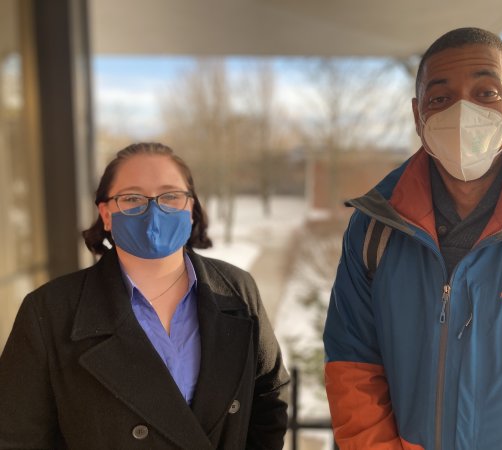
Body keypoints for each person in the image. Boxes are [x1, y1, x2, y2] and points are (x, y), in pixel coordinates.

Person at [323, 27, 502, 449]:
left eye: (486, 93)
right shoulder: (376, 226)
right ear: (418, 115)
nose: (463, 112)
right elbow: (353, 365)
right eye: (440, 98)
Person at [0, 142, 289, 449]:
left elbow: (270, 397)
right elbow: (16, 436)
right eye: (133, 198)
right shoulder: (49, 311)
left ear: (191, 208)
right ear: (107, 214)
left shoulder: (238, 289)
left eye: (170, 196)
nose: (153, 210)